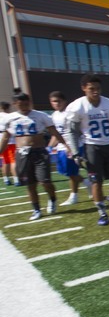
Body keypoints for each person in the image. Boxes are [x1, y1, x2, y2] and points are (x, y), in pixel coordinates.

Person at [64, 73, 109, 226]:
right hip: (92, 147)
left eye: (98, 88)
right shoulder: (77, 106)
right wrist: (76, 152)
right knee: (96, 181)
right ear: (84, 88)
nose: (96, 91)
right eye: (92, 88)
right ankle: (102, 212)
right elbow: (72, 131)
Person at [0, 91, 69, 220]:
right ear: (15, 104)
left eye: (27, 103)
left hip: (39, 152)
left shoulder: (41, 115)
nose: (25, 107)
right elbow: (5, 138)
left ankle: (52, 199)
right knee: (30, 184)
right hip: (22, 154)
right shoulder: (9, 118)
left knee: (45, 182)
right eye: (21, 104)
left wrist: (67, 146)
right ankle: (36, 209)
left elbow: (54, 132)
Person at [48, 91, 91, 205]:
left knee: (72, 173)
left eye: (58, 101)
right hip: (61, 147)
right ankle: (87, 182)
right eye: (53, 101)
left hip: (73, 146)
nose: (56, 103)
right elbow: (56, 134)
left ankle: (74, 196)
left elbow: (78, 131)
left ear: (64, 101)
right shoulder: (54, 115)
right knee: (64, 171)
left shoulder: (70, 113)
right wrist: (49, 147)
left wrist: (72, 146)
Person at [0, 100, 20, 186]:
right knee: (13, 160)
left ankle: (6, 179)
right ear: (7, 108)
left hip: (1, 141)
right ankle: (16, 180)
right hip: (10, 140)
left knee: (5, 161)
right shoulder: (10, 116)